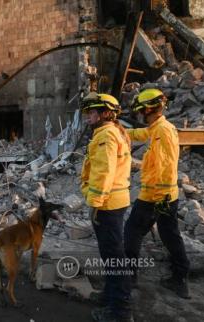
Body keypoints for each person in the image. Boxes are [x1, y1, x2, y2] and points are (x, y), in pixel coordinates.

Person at [124, 88, 191, 299]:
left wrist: (153, 199)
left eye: (141, 110)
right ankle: (180, 280)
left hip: (156, 196)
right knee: (169, 234)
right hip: (167, 195)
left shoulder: (162, 132)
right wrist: (123, 131)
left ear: (149, 109)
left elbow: (162, 168)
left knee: (132, 232)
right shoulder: (160, 127)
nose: (139, 114)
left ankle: (129, 277)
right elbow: (143, 133)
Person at [80, 92, 133, 322]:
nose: (88, 117)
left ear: (105, 113)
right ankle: (111, 296)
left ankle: (120, 311)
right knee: (111, 255)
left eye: (92, 112)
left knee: (114, 258)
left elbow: (104, 172)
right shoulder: (111, 132)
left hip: (107, 205)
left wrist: (94, 204)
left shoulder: (106, 136)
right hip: (113, 203)